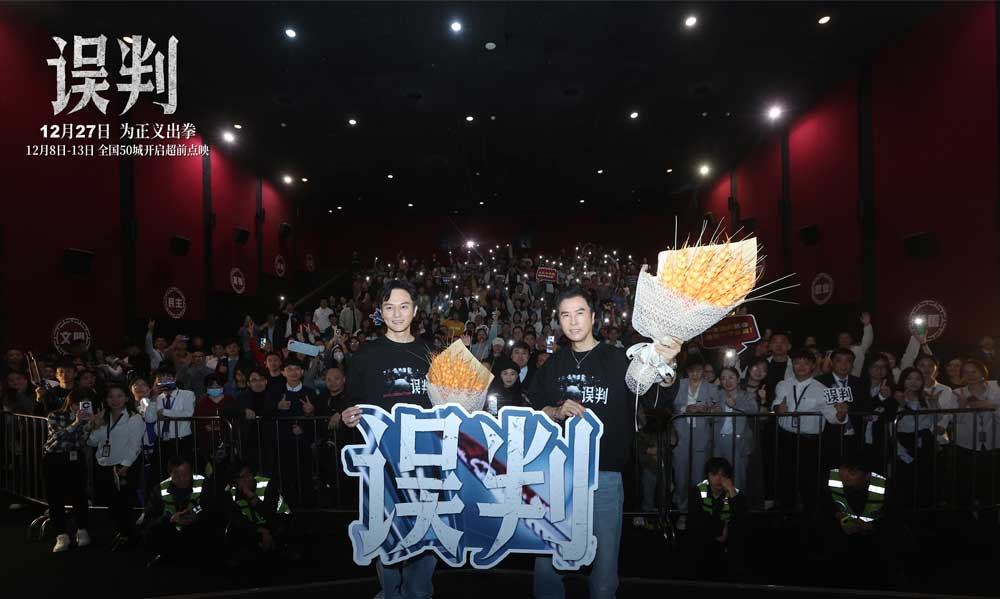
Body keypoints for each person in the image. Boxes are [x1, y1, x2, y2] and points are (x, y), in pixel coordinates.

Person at [525, 285, 680, 599]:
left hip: (604, 476)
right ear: (558, 320)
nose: (573, 321)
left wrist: (668, 367)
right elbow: (531, 406)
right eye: (565, 315)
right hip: (558, 476)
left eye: (580, 313)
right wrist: (554, 411)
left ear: (593, 317)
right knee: (546, 564)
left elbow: (656, 397)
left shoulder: (619, 359)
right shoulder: (553, 364)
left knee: (605, 570)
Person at [341, 279, 437, 599]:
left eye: (403, 306)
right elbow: (351, 401)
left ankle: (419, 592)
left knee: (425, 528)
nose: (397, 314)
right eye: (389, 307)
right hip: (381, 461)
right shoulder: (365, 354)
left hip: (425, 458)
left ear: (415, 310)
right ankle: (390, 592)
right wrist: (347, 414)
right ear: (381, 312)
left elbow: (446, 403)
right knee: (385, 530)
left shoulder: (430, 353)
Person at [772, 349, 848, 515]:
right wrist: (778, 409)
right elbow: (776, 405)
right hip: (785, 438)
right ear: (792, 365)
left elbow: (833, 417)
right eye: (797, 363)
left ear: (813, 366)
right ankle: (785, 515)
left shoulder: (823, 389)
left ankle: (810, 517)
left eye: (806, 363)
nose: (801, 366)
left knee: (809, 481)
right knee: (785, 478)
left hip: (810, 442)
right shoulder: (783, 384)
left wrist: (841, 414)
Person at [85, 383, 144, 550]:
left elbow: (135, 445)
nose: (115, 400)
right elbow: (92, 442)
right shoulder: (103, 417)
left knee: (124, 502)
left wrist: (125, 465)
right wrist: (94, 425)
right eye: (111, 396)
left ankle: (129, 536)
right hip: (104, 464)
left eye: (119, 396)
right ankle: (122, 532)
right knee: (111, 502)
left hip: (125, 466)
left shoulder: (134, 418)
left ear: (126, 398)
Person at [664, 356, 717, 530]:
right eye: (692, 371)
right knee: (680, 477)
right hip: (681, 436)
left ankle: (698, 512)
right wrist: (686, 409)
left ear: (704, 371)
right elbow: (669, 406)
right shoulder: (679, 385)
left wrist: (710, 410)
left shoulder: (711, 388)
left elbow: (716, 412)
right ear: (687, 371)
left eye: (699, 371)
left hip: (702, 437)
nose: (696, 374)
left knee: (699, 479)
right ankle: (682, 511)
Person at [43, 387, 94, 552]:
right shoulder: (55, 415)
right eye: (77, 403)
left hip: (76, 458)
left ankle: (82, 530)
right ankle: (61, 534)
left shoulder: (88, 417)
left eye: (85, 403)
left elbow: (86, 440)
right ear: (70, 403)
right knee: (55, 497)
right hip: (55, 458)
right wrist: (76, 423)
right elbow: (56, 438)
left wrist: (91, 425)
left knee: (79, 495)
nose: (80, 407)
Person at [142, 455, 212, 566]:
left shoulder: (203, 483)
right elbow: (148, 521)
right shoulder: (159, 490)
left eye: (186, 475)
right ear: (170, 474)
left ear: (192, 472)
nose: (182, 479)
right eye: (177, 476)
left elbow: (211, 507)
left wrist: (196, 514)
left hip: (198, 536)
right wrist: (170, 519)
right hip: (170, 538)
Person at [686, 457, 748, 580]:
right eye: (714, 474)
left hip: (727, 543)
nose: (719, 479)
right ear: (708, 476)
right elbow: (695, 520)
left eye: (723, 475)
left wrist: (731, 491)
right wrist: (720, 530)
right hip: (703, 540)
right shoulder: (698, 490)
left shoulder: (735, 493)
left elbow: (741, 519)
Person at [951, 360, 1000, 510]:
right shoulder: (958, 392)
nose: (970, 375)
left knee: (990, 484)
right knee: (966, 483)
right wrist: (962, 405)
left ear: (983, 373)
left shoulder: (996, 390)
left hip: (993, 442)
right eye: (966, 372)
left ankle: (989, 515)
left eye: (974, 371)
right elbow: (956, 421)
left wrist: (991, 406)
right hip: (966, 444)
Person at [222, 460, 291, 564]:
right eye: (241, 478)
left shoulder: (266, 484)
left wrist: (250, 495)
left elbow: (270, 514)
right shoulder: (232, 492)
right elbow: (237, 519)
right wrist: (261, 530)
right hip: (256, 527)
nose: (247, 479)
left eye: (248, 475)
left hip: (279, 523)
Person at [815, 347, 872, 470]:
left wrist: (848, 408)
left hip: (854, 436)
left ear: (852, 364)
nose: (844, 365)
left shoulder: (860, 383)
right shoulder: (820, 382)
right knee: (830, 471)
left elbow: (866, 407)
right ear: (831, 363)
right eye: (839, 360)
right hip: (828, 436)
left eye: (848, 361)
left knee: (852, 472)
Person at [711, 366, 757, 494]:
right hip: (718, 440)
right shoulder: (717, 395)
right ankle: (720, 503)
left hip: (738, 441)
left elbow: (754, 410)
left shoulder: (747, 395)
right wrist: (712, 411)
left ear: (738, 379)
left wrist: (735, 405)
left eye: (731, 377)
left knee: (738, 477)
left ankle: (737, 503)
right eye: (723, 378)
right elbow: (708, 415)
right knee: (718, 476)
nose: (728, 381)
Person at [148, 367, 197, 488]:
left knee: (184, 476)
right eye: (160, 378)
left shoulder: (187, 394)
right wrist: (153, 397)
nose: (165, 381)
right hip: (161, 442)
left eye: (168, 377)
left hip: (182, 440)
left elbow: (188, 413)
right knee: (160, 475)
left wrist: (164, 412)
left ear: (175, 378)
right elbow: (149, 418)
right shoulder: (156, 398)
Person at [193, 374, 240, 475]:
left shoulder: (230, 400)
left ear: (222, 386)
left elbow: (236, 421)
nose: (215, 388)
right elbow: (196, 424)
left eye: (217, 386)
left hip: (228, 445)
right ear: (206, 388)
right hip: (208, 447)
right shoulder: (201, 403)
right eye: (211, 386)